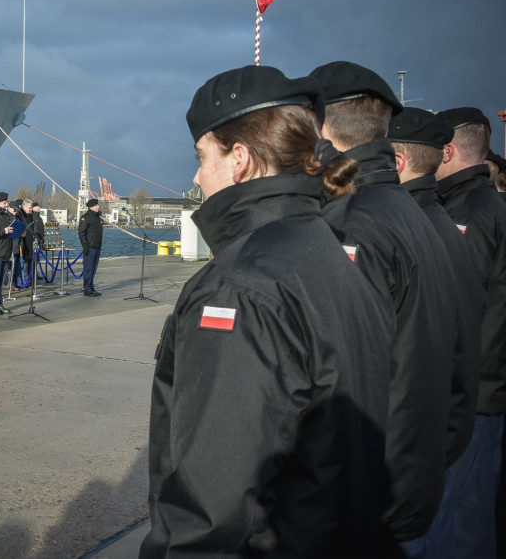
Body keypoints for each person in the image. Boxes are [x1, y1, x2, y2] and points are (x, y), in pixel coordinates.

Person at [141, 65, 395, 557]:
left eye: (202, 156)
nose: (196, 176)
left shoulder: (239, 288)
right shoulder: (326, 249)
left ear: (238, 159)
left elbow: (215, 509)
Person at [311, 61, 457, 550]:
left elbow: (340, 384)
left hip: (366, 500)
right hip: (406, 476)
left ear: (322, 132)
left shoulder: (351, 225)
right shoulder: (410, 213)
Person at [387, 108, 486, 556]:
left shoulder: (413, 227)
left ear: (399, 161)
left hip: (427, 428)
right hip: (455, 413)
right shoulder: (446, 221)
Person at [434, 106, 506, 556]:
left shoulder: (470, 213)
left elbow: (459, 302)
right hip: (484, 387)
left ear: (448, 149)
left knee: (464, 519)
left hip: (473, 395)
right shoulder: (489, 204)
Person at [77, 198, 103, 296]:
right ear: (91, 206)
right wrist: (85, 247)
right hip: (90, 247)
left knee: (94, 269)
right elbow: (81, 233)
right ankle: (87, 289)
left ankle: (91, 287)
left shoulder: (97, 218)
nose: (98, 207)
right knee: (88, 269)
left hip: (97, 246)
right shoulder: (85, 218)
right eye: (96, 205)